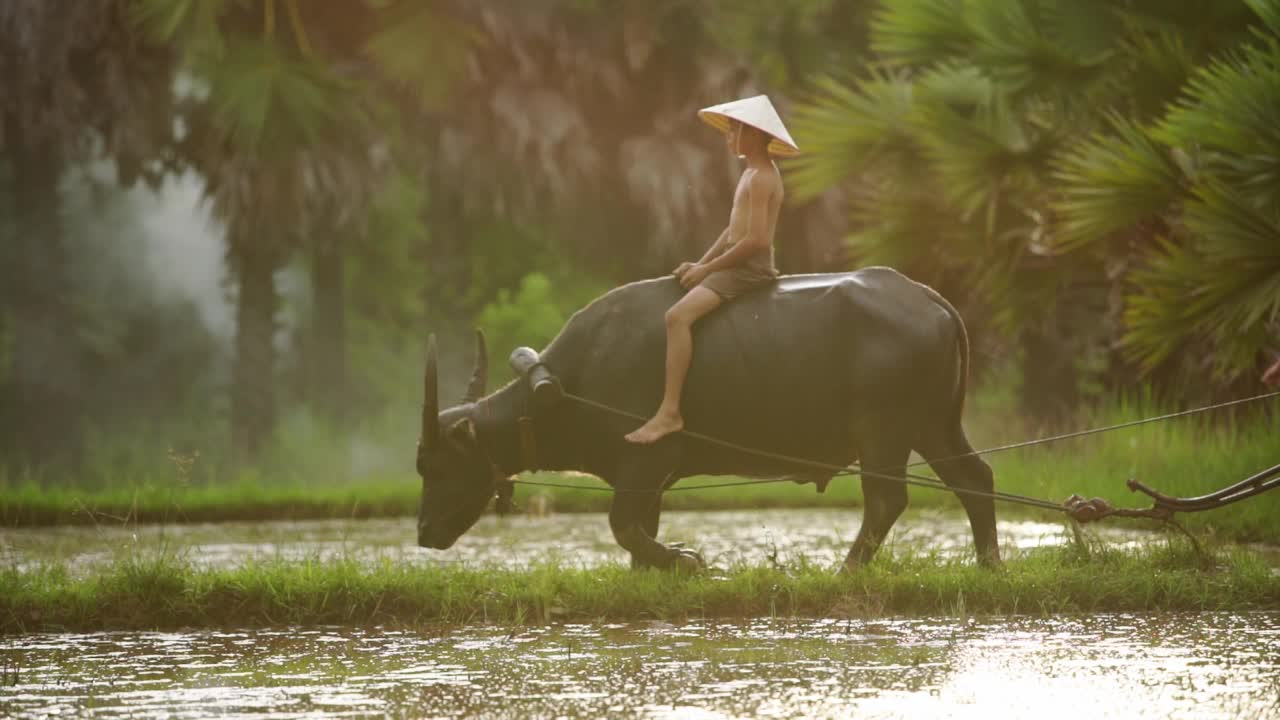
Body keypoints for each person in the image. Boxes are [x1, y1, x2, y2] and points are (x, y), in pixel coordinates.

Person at [625, 95, 800, 444]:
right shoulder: (750, 173)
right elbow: (731, 231)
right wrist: (700, 263)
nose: (728, 136)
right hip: (734, 263)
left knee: (677, 317)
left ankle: (670, 412)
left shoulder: (763, 176)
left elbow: (756, 241)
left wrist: (708, 272)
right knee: (678, 293)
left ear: (752, 134)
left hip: (749, 269)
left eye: (734, 130)